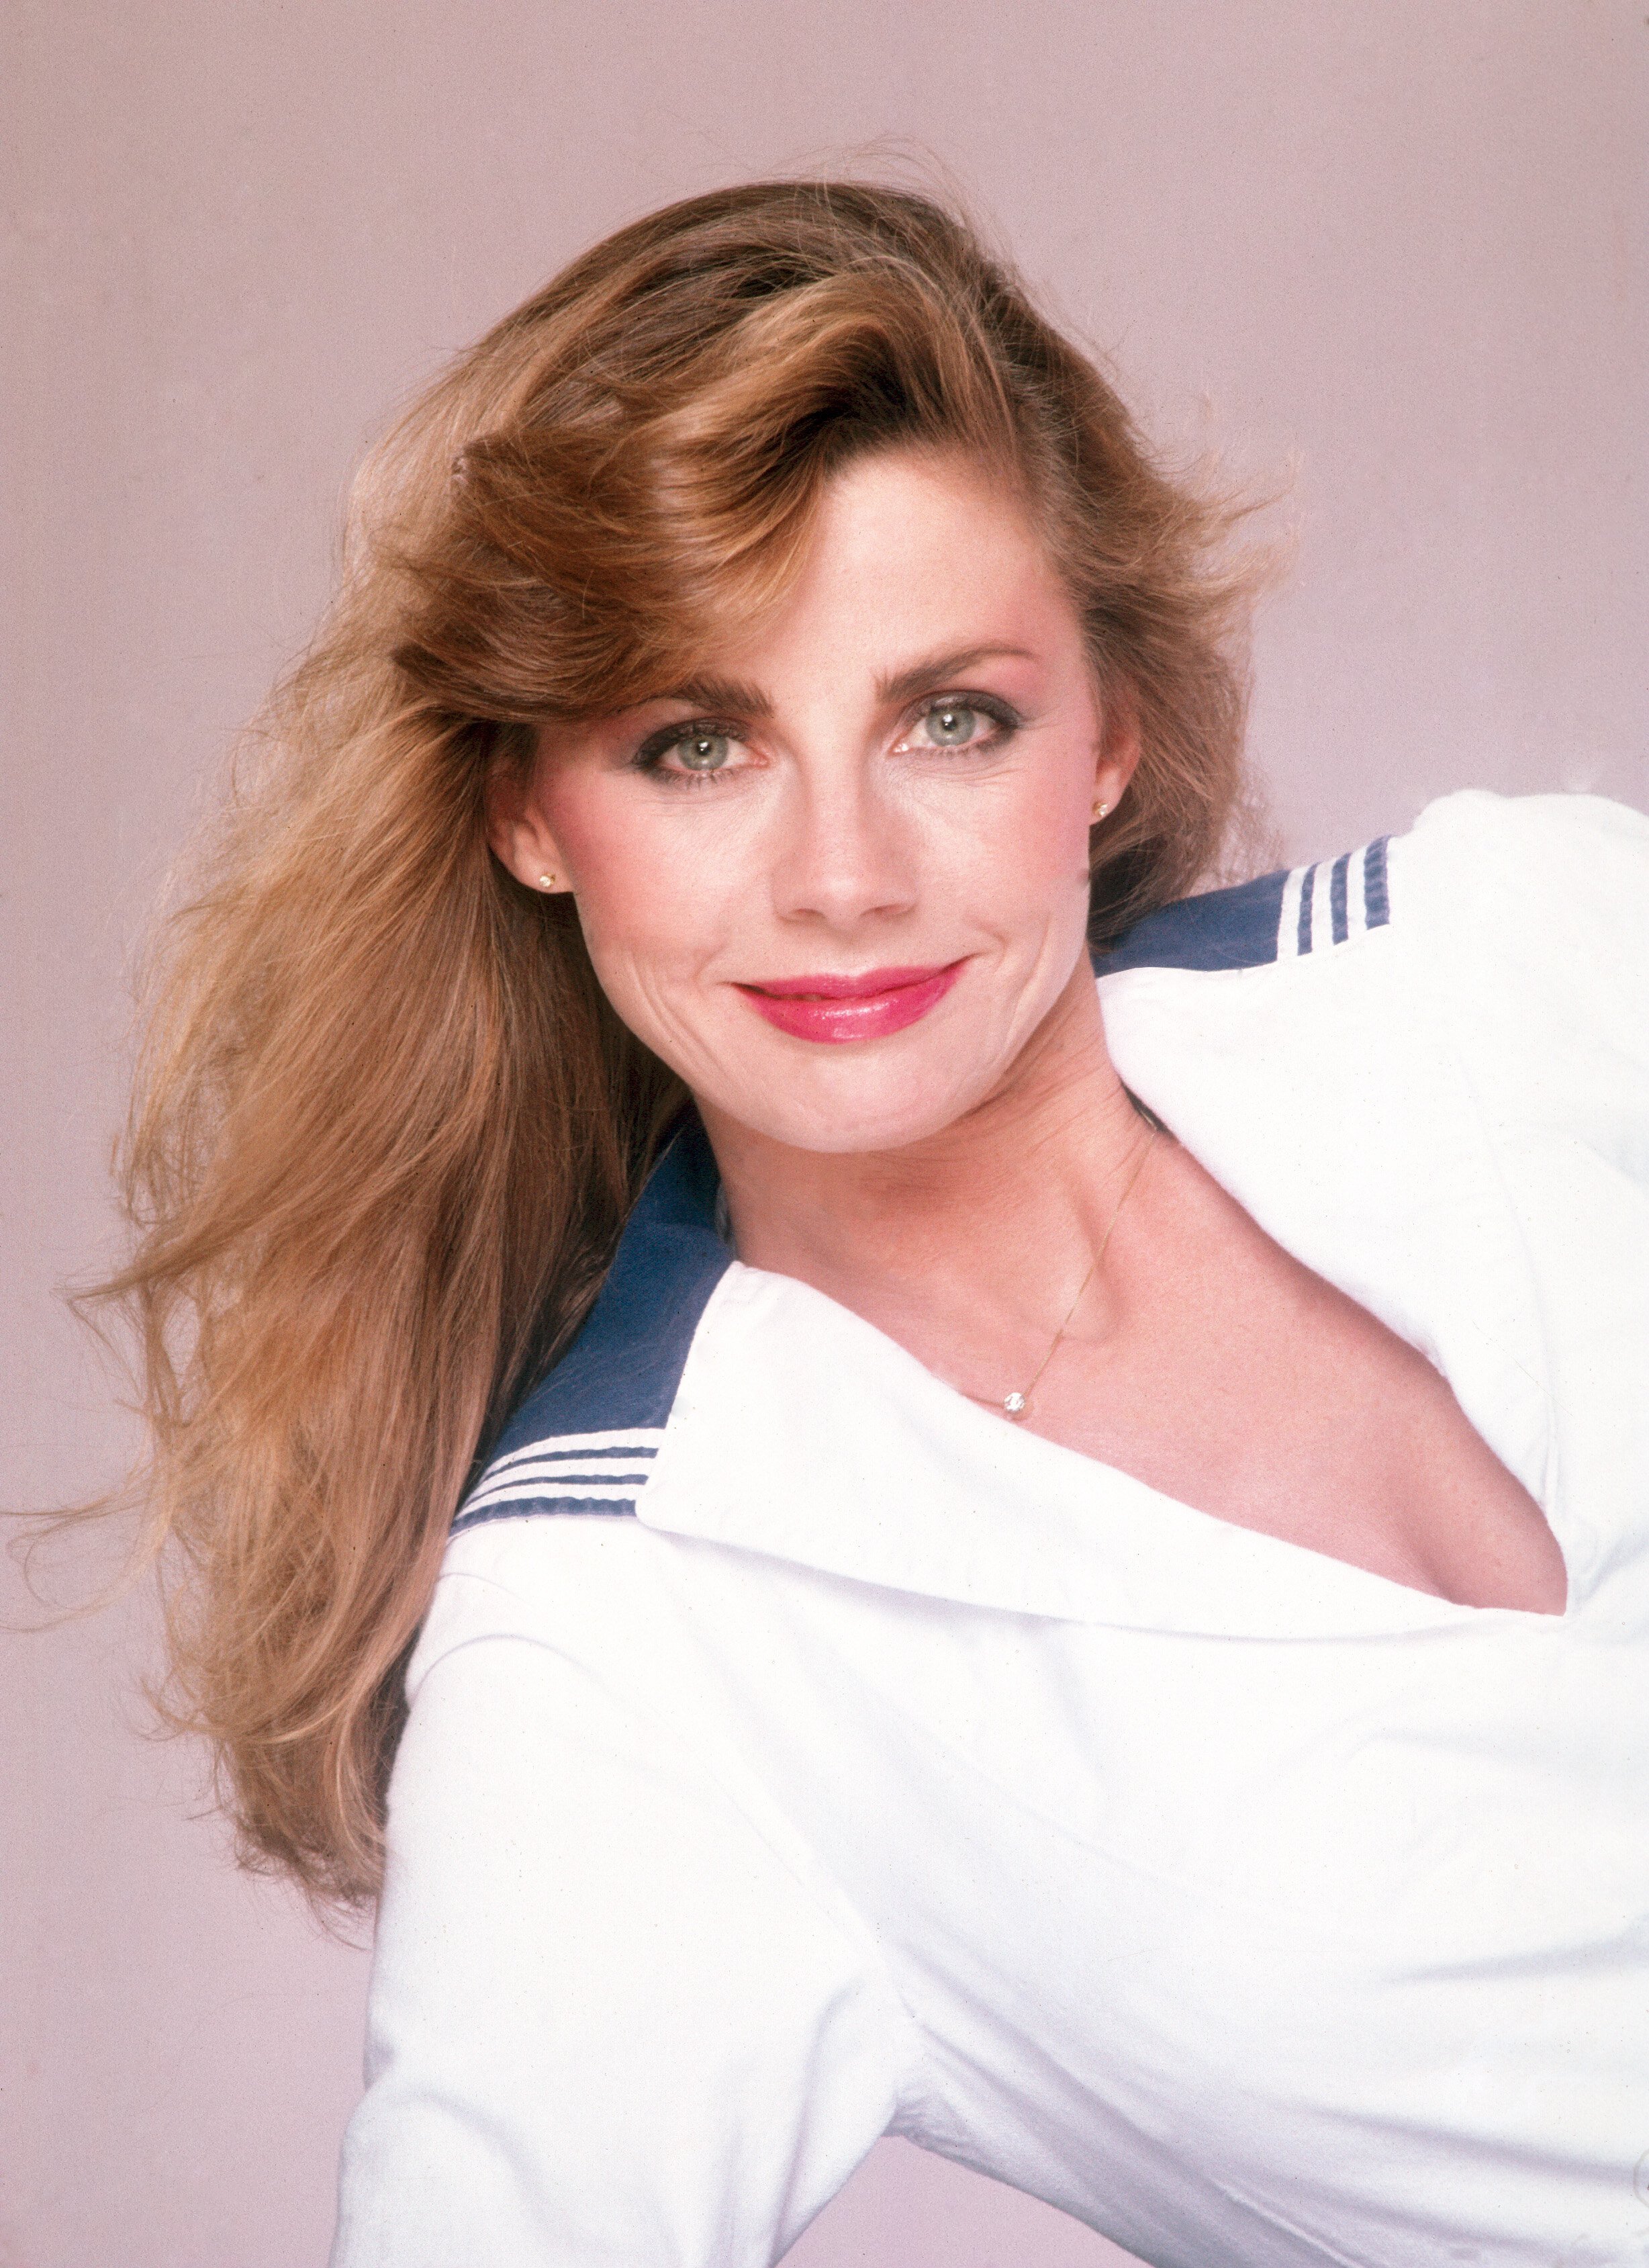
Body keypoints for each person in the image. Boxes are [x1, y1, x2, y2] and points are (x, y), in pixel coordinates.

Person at [95, 181, 1647, 2267]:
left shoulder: (1533, 947)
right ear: (531, 813)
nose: (842, 874)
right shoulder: (621, 1637)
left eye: (948, 716)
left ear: (1104, 732)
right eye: (697, 742)